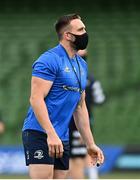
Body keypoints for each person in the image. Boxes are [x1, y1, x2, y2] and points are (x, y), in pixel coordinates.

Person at [22, 13, 104, 179]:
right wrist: (50, 134)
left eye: (85, 29)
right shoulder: (48, 60)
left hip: (62, 136)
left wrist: (90, 143)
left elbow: (80, 106)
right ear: (68, 35)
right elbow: (36, 99)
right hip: (40, 132)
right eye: (80, 29)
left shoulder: (82, 65)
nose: (85, 33)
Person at [69, 49, 106, 179]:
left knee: (76, 158)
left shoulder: (69, 78)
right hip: (86, 121)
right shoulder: (91, 79)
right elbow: (100, 99)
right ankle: (93, 176)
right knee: (86, 150)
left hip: (72, 123)